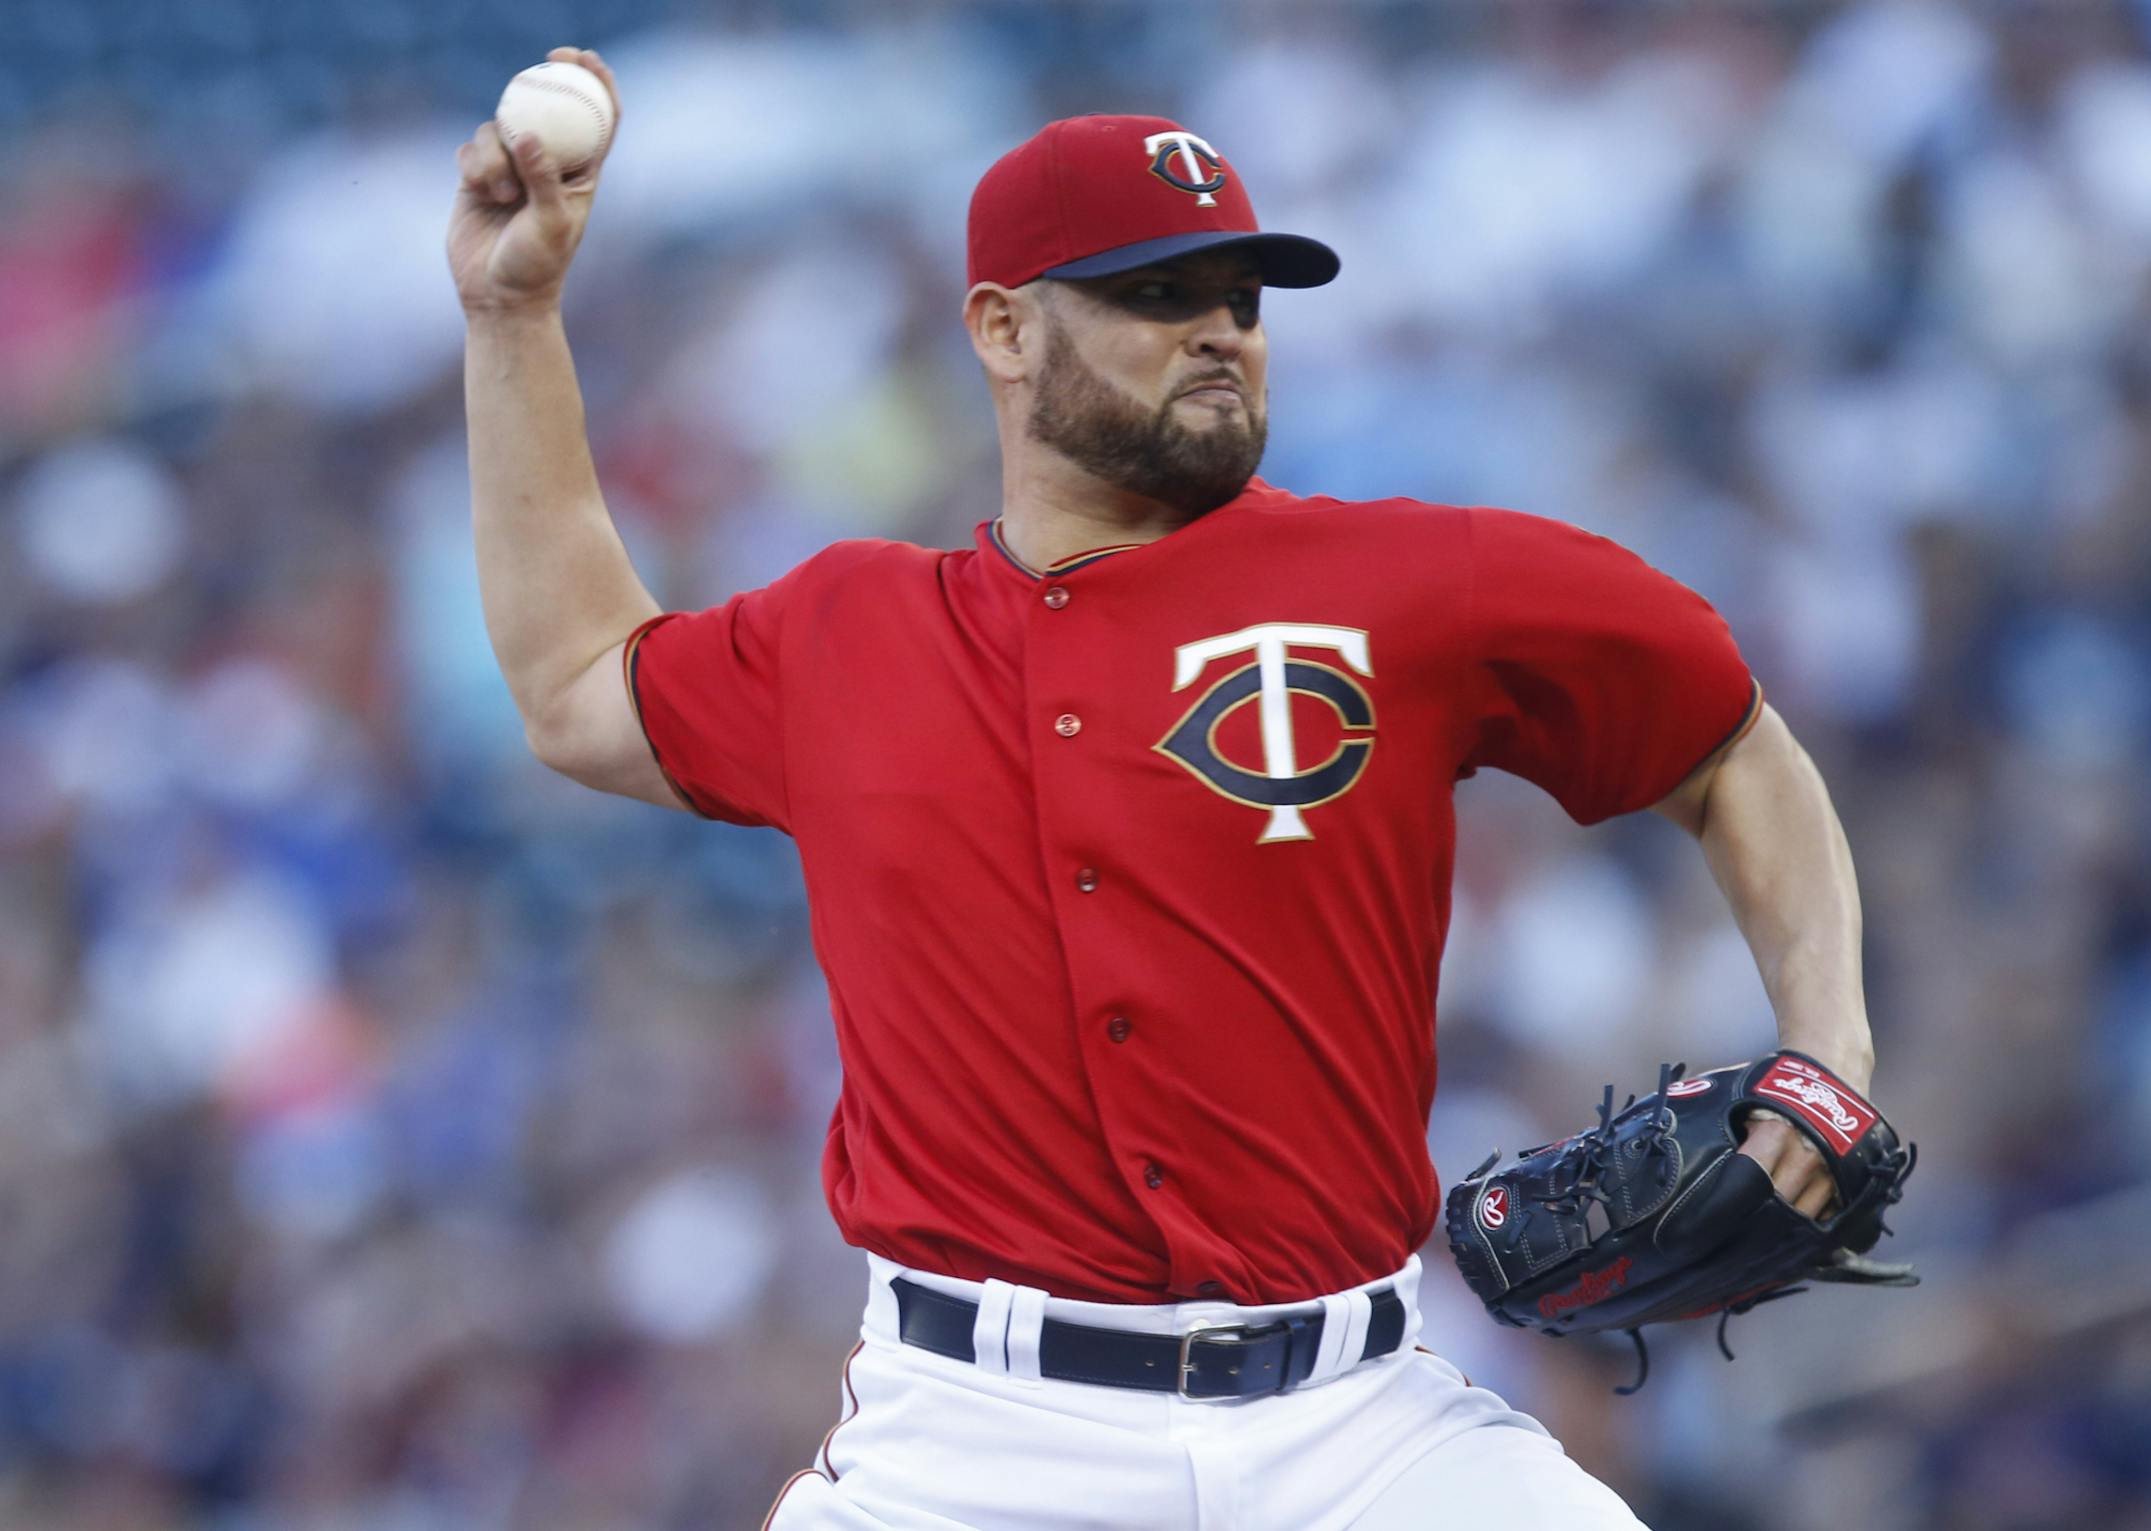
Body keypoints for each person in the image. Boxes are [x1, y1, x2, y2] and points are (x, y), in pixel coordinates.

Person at [450, 46, 1877, 1531]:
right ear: (1002, 330)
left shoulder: (1411, 582)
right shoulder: (847, 631)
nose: (1219, 335)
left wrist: (1826, 1049)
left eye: (1242, 301)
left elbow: (1732, 748)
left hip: (1366, 1424)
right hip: (972, 1444)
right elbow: (574, 687)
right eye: (1154, 295)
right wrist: (512, 310)